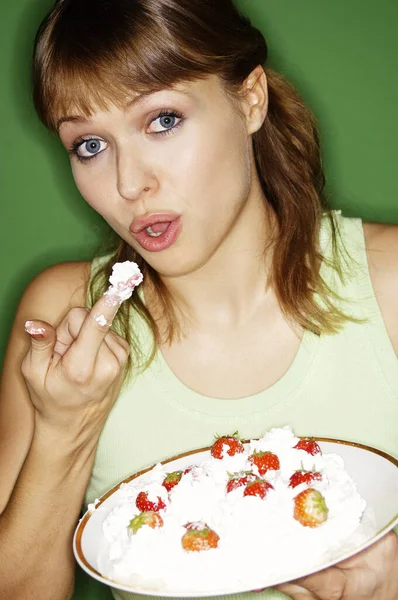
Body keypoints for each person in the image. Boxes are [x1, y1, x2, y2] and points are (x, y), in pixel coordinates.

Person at [0, 0, 397, 599]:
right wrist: (65, 430)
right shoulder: (62, 318)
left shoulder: (389, 283)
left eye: (161, 120)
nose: (129, 183)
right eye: (89, 146)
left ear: (250, 99)